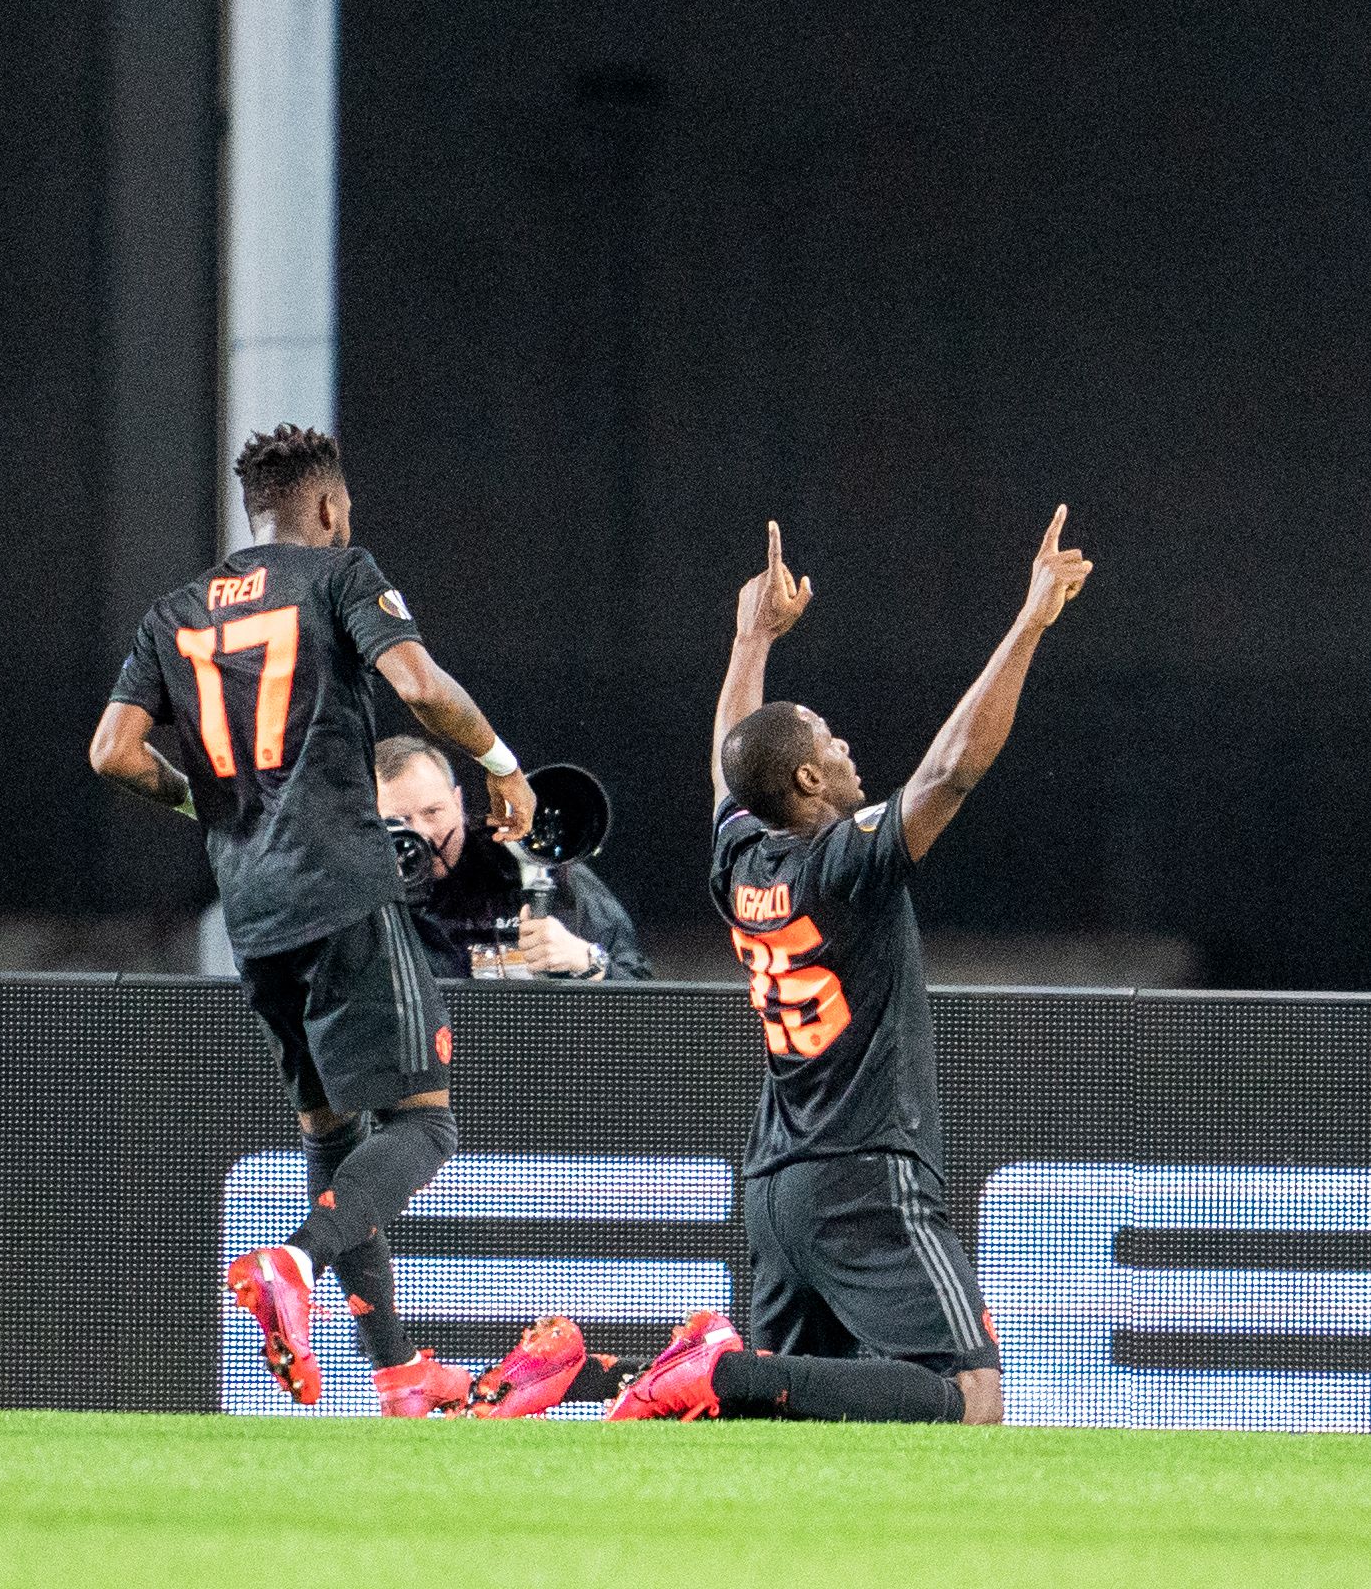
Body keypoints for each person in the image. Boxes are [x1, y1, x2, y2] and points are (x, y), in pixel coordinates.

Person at [601, 513, 1091, 1425]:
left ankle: (721, 1379)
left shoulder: (739, 864)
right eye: (825, 741)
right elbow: (950, 771)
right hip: (864, 1171)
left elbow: (729, 767)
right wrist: (1029, 623)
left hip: (777, 1181)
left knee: (797, 1425)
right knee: (973, 1399)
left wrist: (751, 638)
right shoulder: (839, 865)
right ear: (808, 786)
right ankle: (722, 1369)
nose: (844, 745)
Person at [88, 423, 536, 1419]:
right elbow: (418, 686)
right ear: (329, 509)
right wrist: (503, 766)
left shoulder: (173, 614)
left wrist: (201, 800)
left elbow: (112, 752)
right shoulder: (340, 574)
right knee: (426, 1126)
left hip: (252, 909)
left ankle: (395, 1372)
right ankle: (292, 1264)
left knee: (331, 1127)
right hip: (344, 886)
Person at [373, 736, 650, 981]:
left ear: (458, 803)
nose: (422, 833)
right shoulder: (355, 891)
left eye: (433, 812)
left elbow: (644, 993)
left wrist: (586, 961)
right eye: (398, 820)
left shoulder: (527, 864)